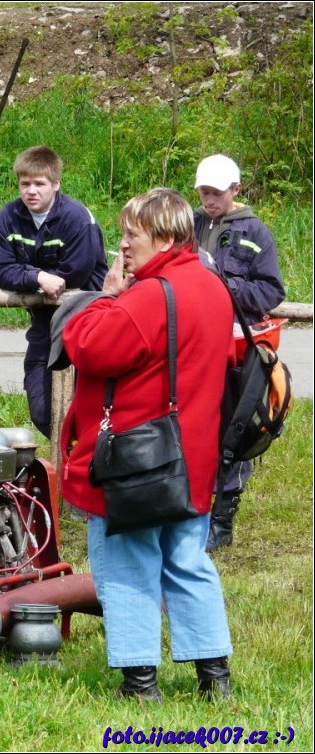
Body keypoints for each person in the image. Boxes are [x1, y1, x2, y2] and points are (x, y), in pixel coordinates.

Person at [58, 188, 234, 701]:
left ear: (164, 238)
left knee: (126, 566)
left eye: (131, 234)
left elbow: (88, 346)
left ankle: (139, 683)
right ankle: (214, 677)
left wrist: (107, 297)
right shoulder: (212, 285)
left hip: (137, 462)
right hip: (192, 459)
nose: (123, 245)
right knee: (188, 561)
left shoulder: (149, 296)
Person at [193, 154, 286, 552]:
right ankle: (194, 514)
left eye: (216, 193)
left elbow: (271, 290)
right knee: (195, 429)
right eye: (204, 193)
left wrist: (222, 285)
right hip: (194, 345)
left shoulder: (256, 232)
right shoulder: (190, 225)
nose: (209, 200)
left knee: (233, 431)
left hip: (237, 350)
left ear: (236, 189)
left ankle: (222, 520)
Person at [0, 146, 107, 438]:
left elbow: (76, 274)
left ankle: (84, 455)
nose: (31, 191)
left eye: (39, 184)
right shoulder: (7, 218)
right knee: (41, 410)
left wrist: (25, 276)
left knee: (88, 410)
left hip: (86, 324)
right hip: (44, 326)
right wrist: (37, 277)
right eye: (25, 183)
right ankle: (69, 451)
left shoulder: (77, 219)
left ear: (55, 184)